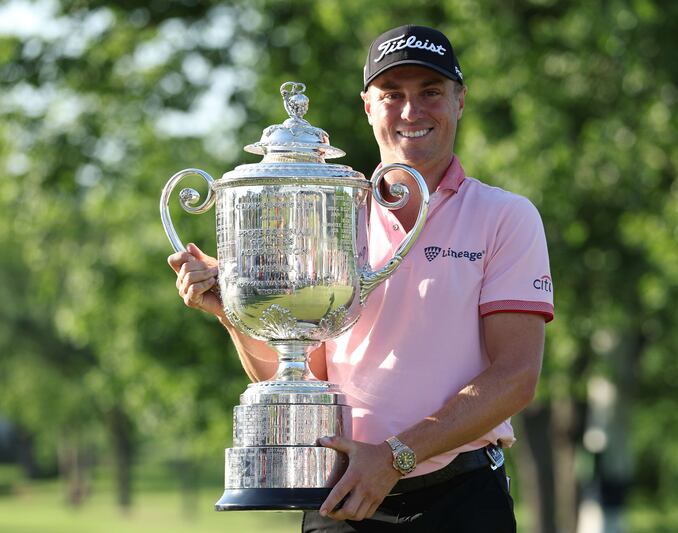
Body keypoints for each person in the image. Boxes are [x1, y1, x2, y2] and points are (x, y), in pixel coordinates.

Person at [168, 24, 554, 533]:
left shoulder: (505, 216)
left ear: (460, 101)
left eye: (431, 92)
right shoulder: (326, 217)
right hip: (342, 494)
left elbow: (515, 378)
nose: (411, 111)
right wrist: (233, 312)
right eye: (392, 95)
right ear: (368, 107)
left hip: (460, 498)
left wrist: (395, 456)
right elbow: (299, 375)